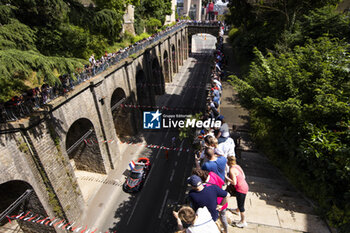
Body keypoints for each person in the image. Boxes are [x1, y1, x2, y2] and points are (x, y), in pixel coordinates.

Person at [192, 168, 228, 233]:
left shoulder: (207, 187)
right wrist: (222, 205)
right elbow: (222, 183)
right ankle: (225, 231)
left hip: (216, 205)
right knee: (222, 218)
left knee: (214, 222)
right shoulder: (212, 174)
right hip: (222, 201)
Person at [226, 156, 249, 228]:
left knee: (241, 206)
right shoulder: (237, 166)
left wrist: (226, 177)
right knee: (240, 202)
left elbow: (234, 183)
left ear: (228, 162)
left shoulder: (232, 169)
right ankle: (237, 210)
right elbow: (244, 176)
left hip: (240, 189)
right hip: (245, 186)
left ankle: (243, 221)